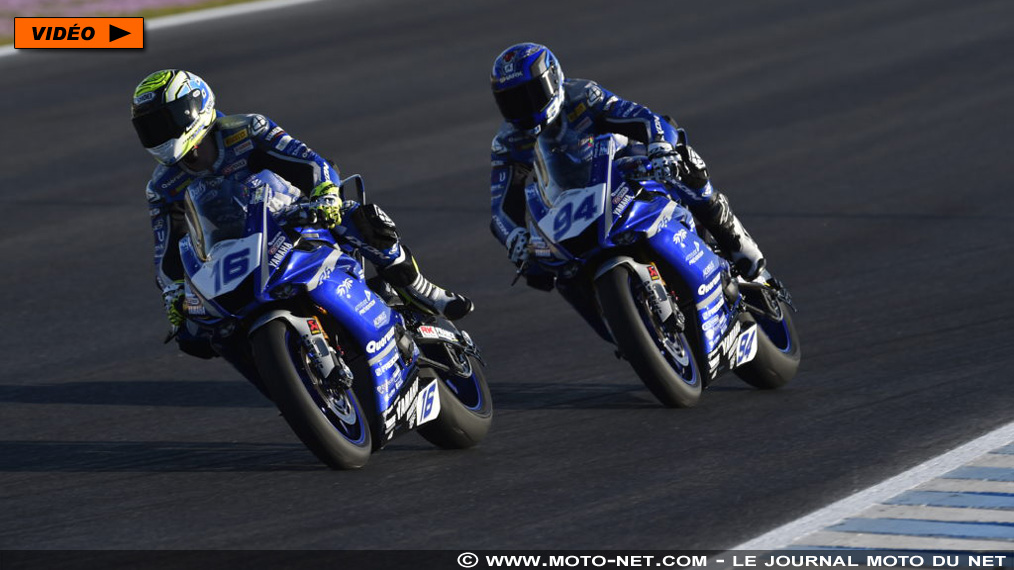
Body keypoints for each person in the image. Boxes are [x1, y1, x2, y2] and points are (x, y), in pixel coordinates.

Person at [131, 69, 472, 357]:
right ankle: (279, 372)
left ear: (195, 107)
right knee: (194, 336)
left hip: (290, 218)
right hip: (229, 254)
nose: (159, 135)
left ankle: (418, 288)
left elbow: (310, 160)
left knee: (364, 220)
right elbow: (167, 249)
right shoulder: (162, 186)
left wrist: (325, 194)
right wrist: (174, 293)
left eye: (164, 123)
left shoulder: (247, 129)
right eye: (150, 129)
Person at [489, 43, 765, 283]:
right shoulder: (508, 142)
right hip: (569, 205)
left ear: (554, 78)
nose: (524, 107)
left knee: (684, 161)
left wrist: (660, 147)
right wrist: (513, 236)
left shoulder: (583, 96)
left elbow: (643, 117)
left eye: (531, 94)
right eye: (512, 101)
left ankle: (732, 237)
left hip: (622, 166)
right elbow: (501, 208)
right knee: (543, 269)